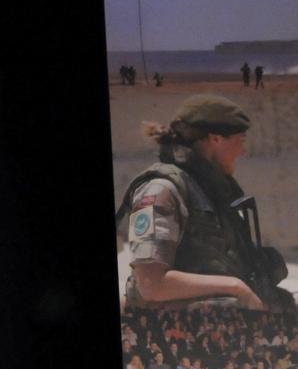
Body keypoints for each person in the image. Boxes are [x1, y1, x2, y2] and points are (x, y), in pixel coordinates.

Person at [118, 95, 290, 312]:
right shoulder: (162, 190)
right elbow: (151, 285)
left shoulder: (211, 189)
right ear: (215, 139)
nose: (243, 151)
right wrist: (236, 288)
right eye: (241, 140)